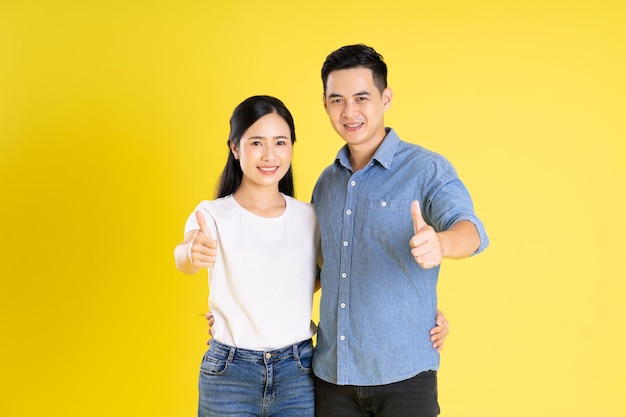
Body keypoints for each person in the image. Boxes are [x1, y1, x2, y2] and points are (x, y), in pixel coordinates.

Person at [175, 95, 451, 417]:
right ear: (235, 148)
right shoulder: (212, 215)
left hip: (297, 371)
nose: (269, 155)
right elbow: (184, 257)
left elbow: (342, 273)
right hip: (229, 374)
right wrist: (191, 253)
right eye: (256, 143)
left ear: (291, 147)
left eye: (280, 142)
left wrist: (416, 312)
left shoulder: (309, 217)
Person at [311, 44, 489, 417]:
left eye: (362, 97)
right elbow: (316, 270)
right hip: (332, 379)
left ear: (385, 98)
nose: (350, 112)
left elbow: (471, 231)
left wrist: (440, 243)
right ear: (325, 104)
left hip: (404, 378)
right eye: (337, 100)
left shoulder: (425, 169)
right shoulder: (326, 184)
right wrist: (243, 312)